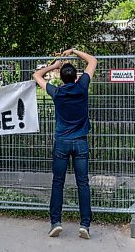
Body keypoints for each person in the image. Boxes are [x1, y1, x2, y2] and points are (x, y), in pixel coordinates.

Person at [33, 49, 97, 240]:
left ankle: (55, 223)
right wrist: (74, 51)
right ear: (77, 76)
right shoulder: (82, 87)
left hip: (61, 143)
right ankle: (84, 225)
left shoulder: (57, 92)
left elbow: (36, 75)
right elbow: (93, 60)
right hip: (81, 143)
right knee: (83, 183)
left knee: (58, 183)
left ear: (61, 78)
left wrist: (55, 64)